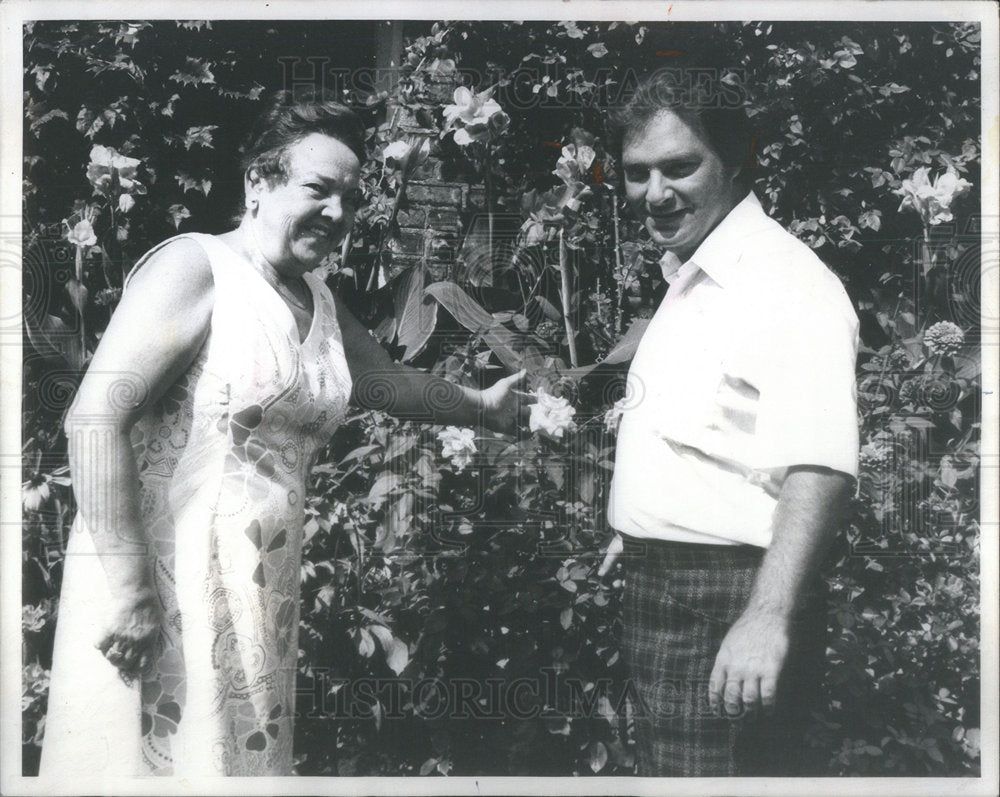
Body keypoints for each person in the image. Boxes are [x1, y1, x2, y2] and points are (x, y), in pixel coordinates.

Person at [40, 90, 523, 777]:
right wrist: (131, 590)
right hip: (162, 581)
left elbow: (386, 382)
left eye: (351, 201)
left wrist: (484, 405)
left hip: (258, 587)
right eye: (319, 190)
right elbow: (94, 418)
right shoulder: (196, 265)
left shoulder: (318, 298)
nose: (338, 214)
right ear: (257, 183)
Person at [598, 70, 859, 776]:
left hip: (728, 600)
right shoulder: (697, 271)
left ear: (735, 159)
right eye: (636, 172)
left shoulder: (784, 281)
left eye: (680, 167)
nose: (655, 193)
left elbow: (823, 467)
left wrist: (766, 614)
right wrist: (646, 524)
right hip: (668, 586)